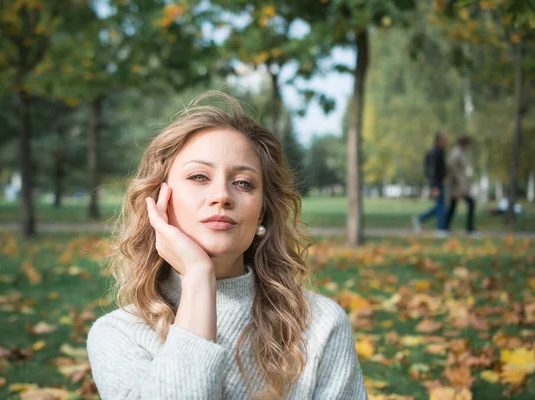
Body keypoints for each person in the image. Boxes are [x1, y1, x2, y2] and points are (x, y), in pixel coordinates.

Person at [86, 92, 367, 399]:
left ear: (261, 210)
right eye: (198, 176)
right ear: (159, 200)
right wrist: (197, 276)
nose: (222, 195)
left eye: (244, 182)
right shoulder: (119, 335)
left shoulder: (322, 326)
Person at [413, 131, 448, 236]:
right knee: (441, 206)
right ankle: (441, 229)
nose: (446, 141)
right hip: (437, 183)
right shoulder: (435, 153)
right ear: (439, 140)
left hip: (440, 182)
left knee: (440, 206)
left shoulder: (440, 152)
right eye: (444, 139)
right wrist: (434, 186)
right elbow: (432, 171)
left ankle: (420, 219)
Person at [445, 135, 476, 234]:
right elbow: (453, 169)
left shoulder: (459, 153)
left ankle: (445, 226)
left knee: (453, 206)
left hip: (459, 185)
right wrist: (459, 183)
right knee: (471, 203)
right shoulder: (456, 153)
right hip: (457, 186)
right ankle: (469, 228)